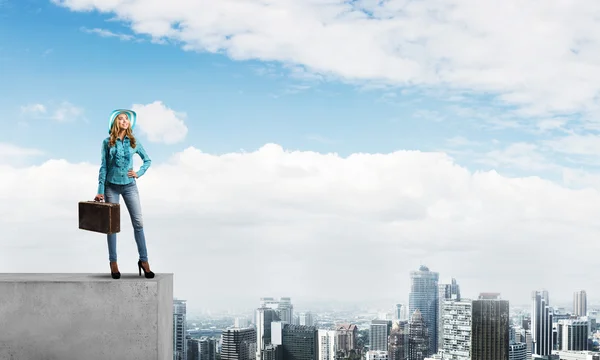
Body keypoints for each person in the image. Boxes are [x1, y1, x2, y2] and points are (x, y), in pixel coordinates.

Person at [94, 109, 155, 279]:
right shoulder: (107, 142)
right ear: (115, 123)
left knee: (138, 223)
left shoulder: (134, 143)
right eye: (120, 118)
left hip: (130, 186)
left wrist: (139, 172)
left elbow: (147, 160)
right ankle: (113, 263)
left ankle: (144, 261)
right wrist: (100, 191)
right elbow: (103, 166)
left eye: (126, 119)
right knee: (111, 226)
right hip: (111, 187)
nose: (124, 121)